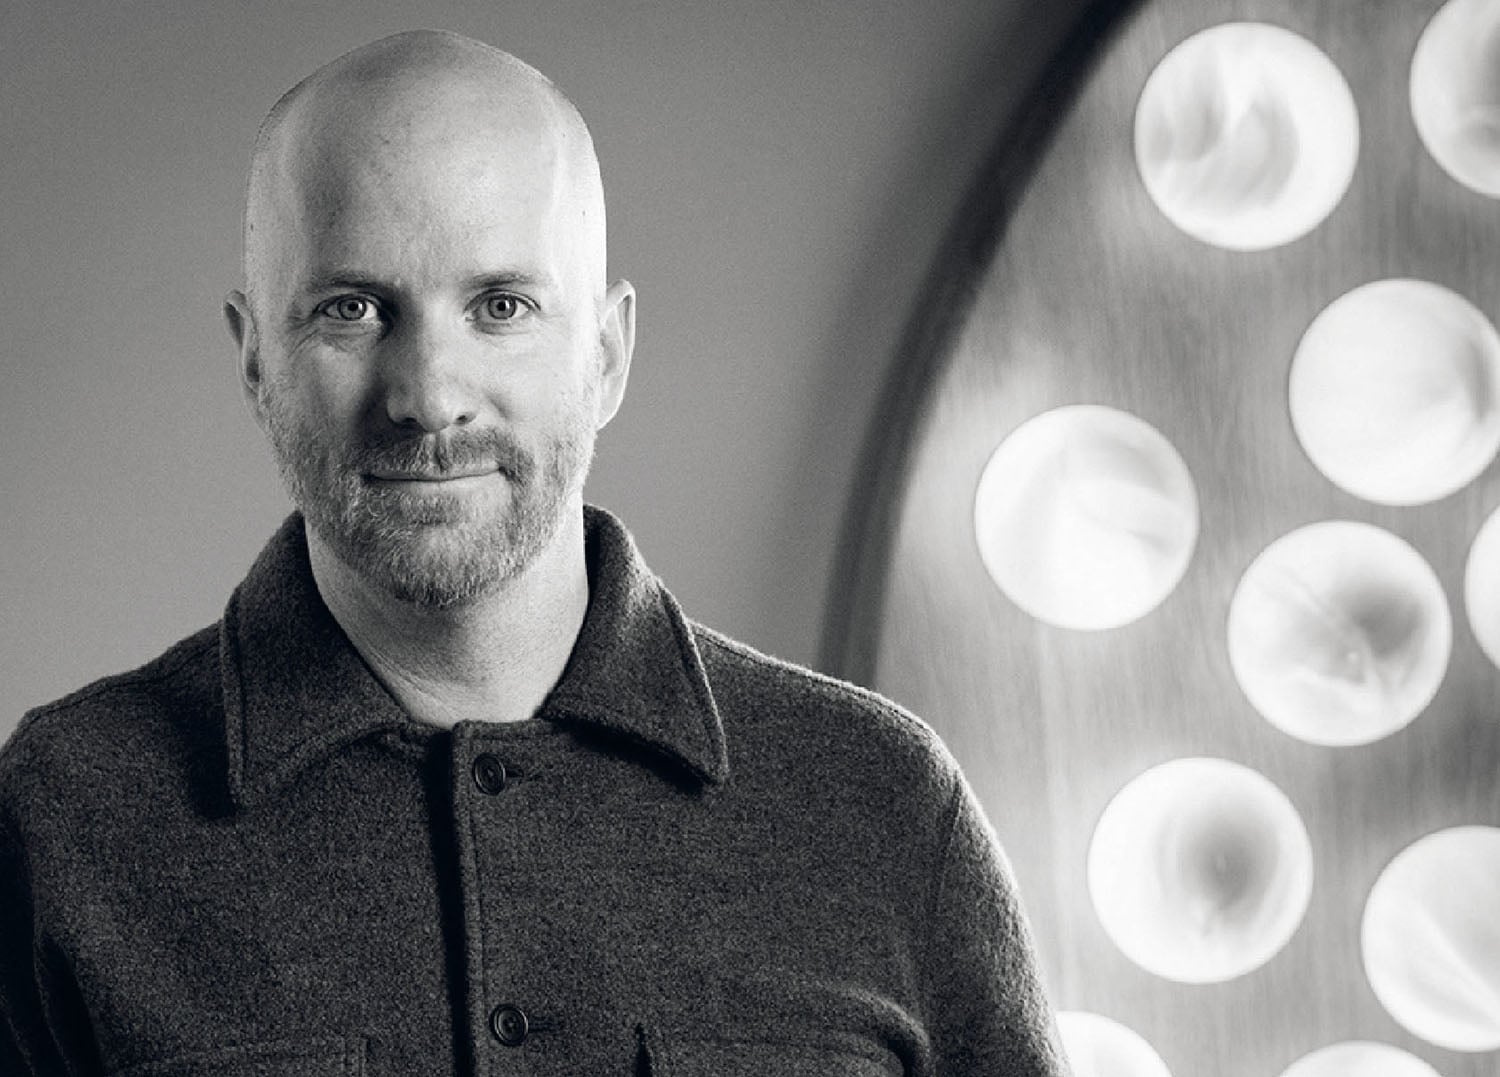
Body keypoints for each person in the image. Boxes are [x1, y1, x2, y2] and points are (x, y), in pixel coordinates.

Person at [0, 29, 1068, 1076]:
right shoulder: (62, 819)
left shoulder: (880, 803)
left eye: (501, 306)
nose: (430, 396)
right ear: (254, 359)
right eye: (352, 309)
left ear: (607, 355)